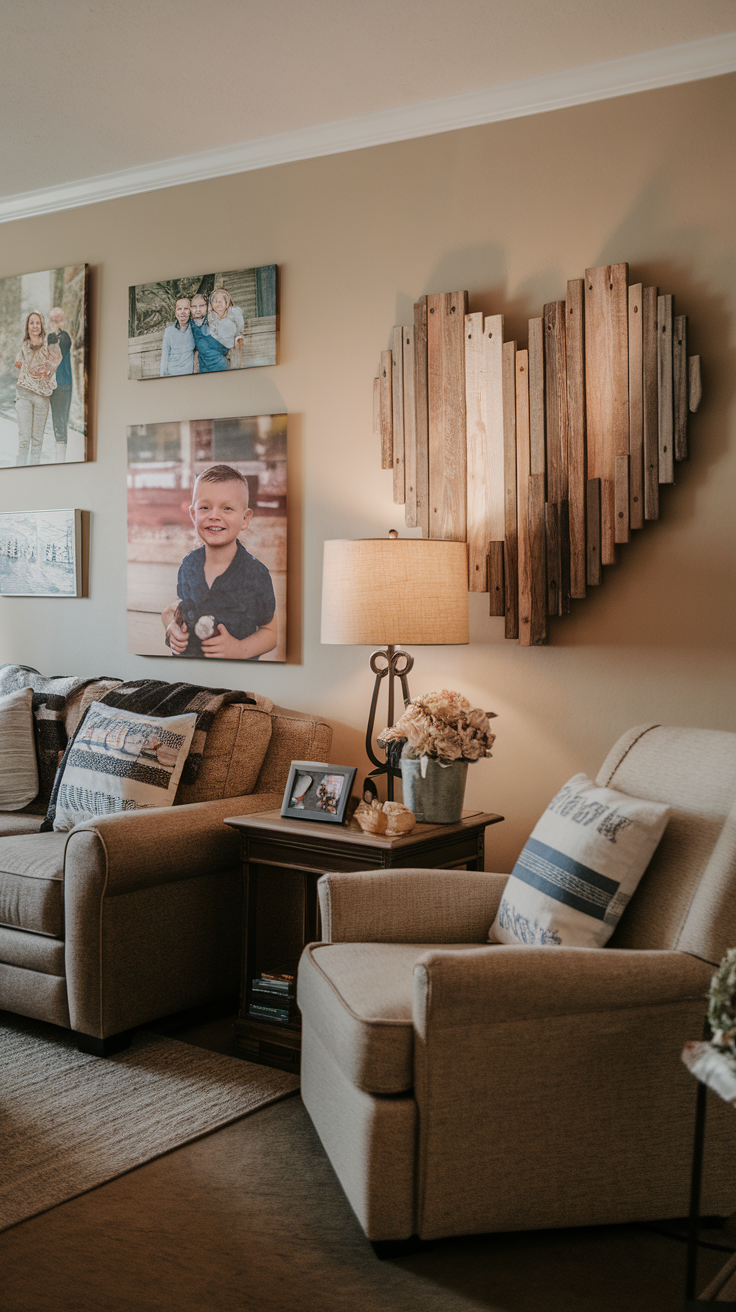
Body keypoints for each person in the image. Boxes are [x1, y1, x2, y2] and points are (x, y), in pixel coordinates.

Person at [161, 463, 277, 660]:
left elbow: (271, 633)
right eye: (205, 507)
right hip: (188, 676)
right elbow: (181, 610)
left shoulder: (256, 574)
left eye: (228, 508)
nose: (214, 515)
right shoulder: (188, 565)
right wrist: (171, 629)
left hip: (233, 680)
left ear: (245, 519)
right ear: (193, 514)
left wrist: (239, 649)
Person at [14, 312, 61, 465]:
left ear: (41, 326)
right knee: (24, 440)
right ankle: (19, 475)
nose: (34, 326)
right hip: (24, 394)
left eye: (37, 323)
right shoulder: (23, 346)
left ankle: (34, 477)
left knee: (37, 442)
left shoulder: (50, 344)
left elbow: (55, 363)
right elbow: (19, 364)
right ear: (27, 326)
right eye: (31, 323)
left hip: (42, 396)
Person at [47, 307, 73, 462]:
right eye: (52, 318)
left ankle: (60, 461)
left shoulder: (64, 337)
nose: (54, 321)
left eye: (58, 318)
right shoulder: (50, 337)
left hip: (61, 386)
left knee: (60, 423)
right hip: (49, 386)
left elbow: (56, 354)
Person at [189, 293, 229, 373]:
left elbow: (225, 347)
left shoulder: (214, 321)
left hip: (220, 365)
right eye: (194, 306)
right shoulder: (189, 326)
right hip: (203, 367)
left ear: (207, 306)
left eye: (201, 306)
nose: (198, 310)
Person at [159, 296, 195, 376]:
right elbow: (165, 355)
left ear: (190, 311)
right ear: (175, 313)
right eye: (179, 309)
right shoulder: (169, 331)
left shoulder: (194, 329)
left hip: (188, 375)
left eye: (186, 308)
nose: (182, 312)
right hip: (172, 374)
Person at [206, 288, 245, 355]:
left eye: (221, 301)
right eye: (215, 301)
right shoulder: (212, 317)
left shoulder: (233, 312)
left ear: (227, 302)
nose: (218, 304)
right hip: (219, 350)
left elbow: (240, 328)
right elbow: (213, 333)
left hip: (234, 348)